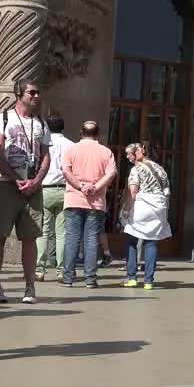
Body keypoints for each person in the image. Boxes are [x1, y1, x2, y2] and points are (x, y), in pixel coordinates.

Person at [0, 79, 50, 304]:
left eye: (37, 92)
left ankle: (30, 287)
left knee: (30, 237)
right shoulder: (3, 119)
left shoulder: (41, 123)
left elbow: (45, 156)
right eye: (31, 93)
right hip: (7, 184)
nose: (35, 96)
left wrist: (37, 180)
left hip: (33, 186)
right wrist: (16, 180)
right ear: (19, 94)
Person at [60, 120, 117, 288]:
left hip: (73, 198)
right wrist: (96, 187)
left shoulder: (72, 149)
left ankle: (68, 277)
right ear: (98, 133)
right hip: (96, 201)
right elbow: (111, 173)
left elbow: (66, 170)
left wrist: (80, 186)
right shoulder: (106, 152)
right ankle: (90, 278)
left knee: (72, 239)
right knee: (91, 240)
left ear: (81, 132)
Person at [120, 142, 172, 289]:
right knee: (151, 242)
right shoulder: (160, 169)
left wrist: (126, 210)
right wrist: (165, 211)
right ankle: (148, 281)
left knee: (131, 239)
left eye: (130, 153)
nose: (128, 156)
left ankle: (131, 277)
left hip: (142, 205)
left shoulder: (136, 169)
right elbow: (167, 192)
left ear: (140, 153)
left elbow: (133, 192)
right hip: (159, 206)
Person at [37, 115, 73, 281]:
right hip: (65, 190)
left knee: (43, 231)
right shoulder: (72, 146)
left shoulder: (43, 144)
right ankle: (61, 271)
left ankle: (39, 270)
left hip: (45, 188)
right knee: (62, 233)